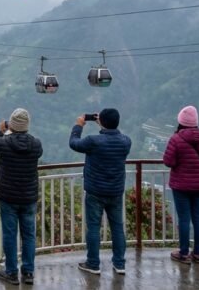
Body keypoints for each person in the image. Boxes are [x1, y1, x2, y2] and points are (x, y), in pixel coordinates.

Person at [69, 108, 132, 276]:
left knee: (94, 228)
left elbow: (74, 143)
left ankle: (93, 263)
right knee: (117, 227)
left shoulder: (93, 141)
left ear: (102, 122)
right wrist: (105, 125)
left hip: (95, 192)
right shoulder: (126, 141)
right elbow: (116, 138)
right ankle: (119, 264)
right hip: (116, 192)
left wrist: (78, 126)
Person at [0, 108, 42, 285]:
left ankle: (11, 272)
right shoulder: (36, 144)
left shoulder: (3, 142)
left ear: (12, 124)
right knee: (29, 235)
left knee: (10, 234)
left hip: (8, 196)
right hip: (29, 196)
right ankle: (28, 272)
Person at [163, 105, 199, 265]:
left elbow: (168, 161)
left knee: (184, 219)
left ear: (180, 121)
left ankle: (184, 253)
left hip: (181, 186)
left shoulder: (176, 139)